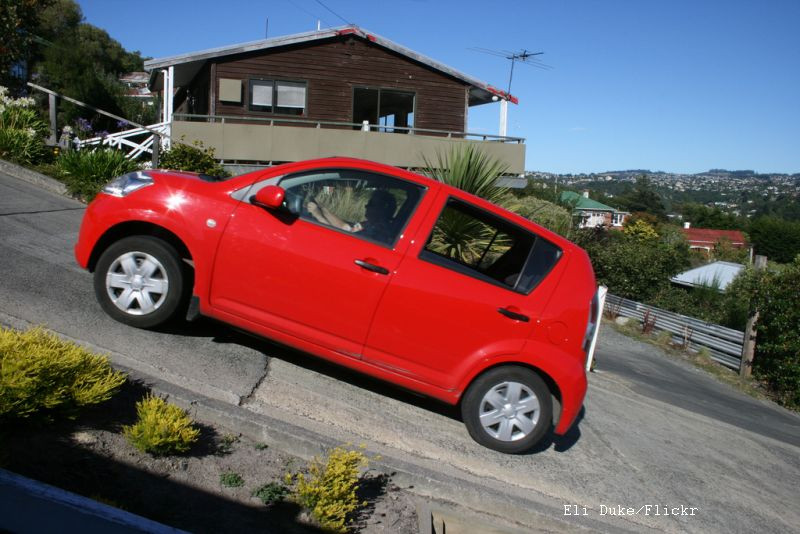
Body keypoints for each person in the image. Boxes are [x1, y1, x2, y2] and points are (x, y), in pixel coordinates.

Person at [307, 189, 397, 243]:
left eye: (371, 204)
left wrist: (318, 216)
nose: (366, 206)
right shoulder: (371, 224)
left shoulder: (377, 231)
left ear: (381, 209)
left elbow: (341, 241)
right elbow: (346, 228)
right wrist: (323, 208)